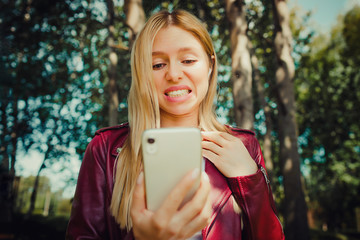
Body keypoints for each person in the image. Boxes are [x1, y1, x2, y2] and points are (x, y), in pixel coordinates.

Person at [66, 9, 285, 240]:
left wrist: (250, 180)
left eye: (188, 60)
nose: (173, 74)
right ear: (142, 73)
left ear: (210, 66)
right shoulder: (105, 149)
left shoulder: (244, 145)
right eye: (158, 64)